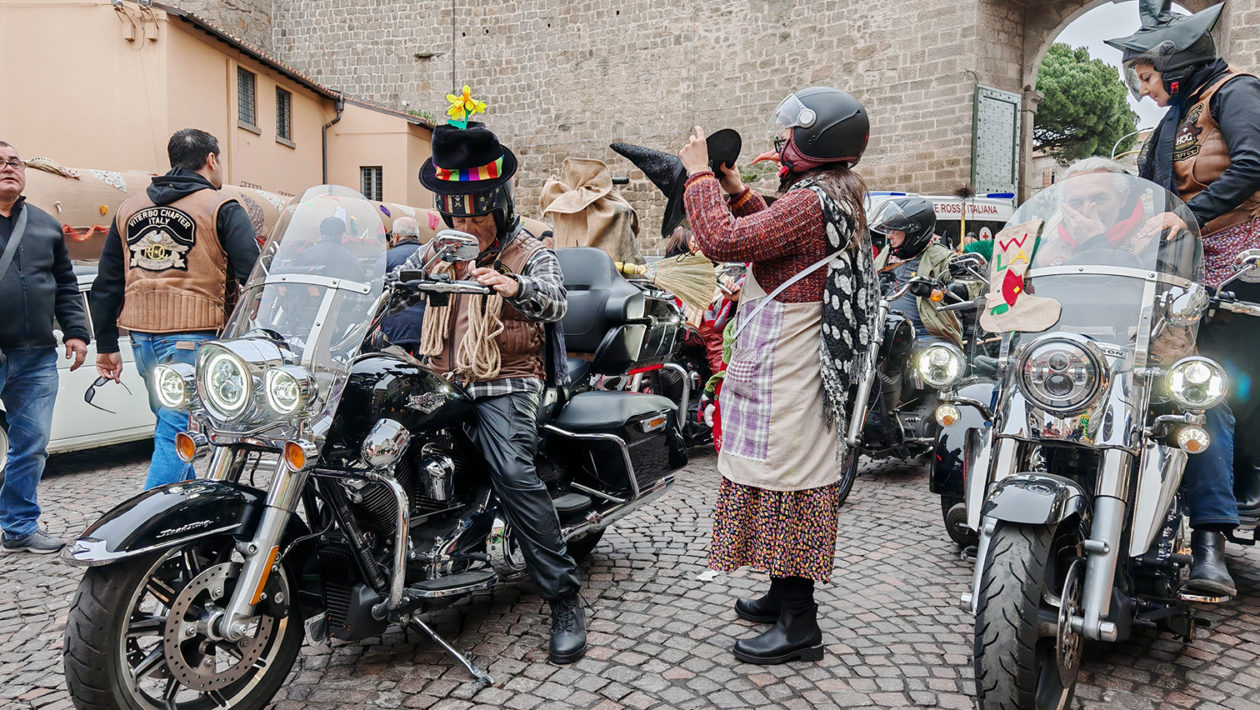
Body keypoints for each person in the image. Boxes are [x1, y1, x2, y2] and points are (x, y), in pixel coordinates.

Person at [679, 86, 878, 664]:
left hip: (791, 362)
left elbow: (723, 241)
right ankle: (779, 596)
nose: (783, 139)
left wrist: (699, 177)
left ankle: (800, 623)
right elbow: (775, 241)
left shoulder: (812, 200)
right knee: (774, 475)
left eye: (792, 132)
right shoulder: (828, 193)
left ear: (816, 138)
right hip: (785, 357)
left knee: (789, 481)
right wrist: (737, 189)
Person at [396, 118, 586, 663]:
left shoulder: (529, 251)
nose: (464, 225)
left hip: (507, 381)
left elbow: (556, 300)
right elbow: (394, 280)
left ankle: (564, 598)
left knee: (513, 472)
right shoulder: (439, 251)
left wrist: (513, 285)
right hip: (443, 378)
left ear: (499, 206)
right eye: (455, 215)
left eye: (475, 215)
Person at [1108, 0, 1260, 596]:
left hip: (1236, 265)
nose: (1143, 91)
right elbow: (1150, 200)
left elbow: (1253, 163)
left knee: (1203, 393)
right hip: (1179, 267)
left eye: (1145, 77)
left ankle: (1210, 539)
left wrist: (1190, 215)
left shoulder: (1235, 91)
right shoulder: (1174, 117)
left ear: (1174, 67)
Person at [91, 129, 260, 490]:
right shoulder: (221, 207)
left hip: (142, 340)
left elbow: (107, 283)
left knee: (171, 425)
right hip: (194, 336)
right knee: (175, 433)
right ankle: (150, 519)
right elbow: (255, 276)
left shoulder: (128, 209)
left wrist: (105, 344)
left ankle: (186, 505)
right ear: (211, 159)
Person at [0, 140, 90, 553]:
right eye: (0, 162)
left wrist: (76, 331)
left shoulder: (45, 225)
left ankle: (19, 527)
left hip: (35, 353)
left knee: (31, 446)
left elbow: (66, 284)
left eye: (14, 162)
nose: (8, 167)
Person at [871, 196, 973, 346]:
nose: (889, 235)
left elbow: (971, 282)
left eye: (895, 230)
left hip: (926, 335)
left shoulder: (940, 256)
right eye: (889, 229)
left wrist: (956, 289)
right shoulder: (887, 253)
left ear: (914, 233)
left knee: (941, 357)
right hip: (885, 331)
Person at [376, 216, 426, 355]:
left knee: (394, 365)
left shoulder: (386, 257)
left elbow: (376, 289)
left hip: (394, 323)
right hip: (424, 324)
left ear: (396, 236)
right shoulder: (429, 256)